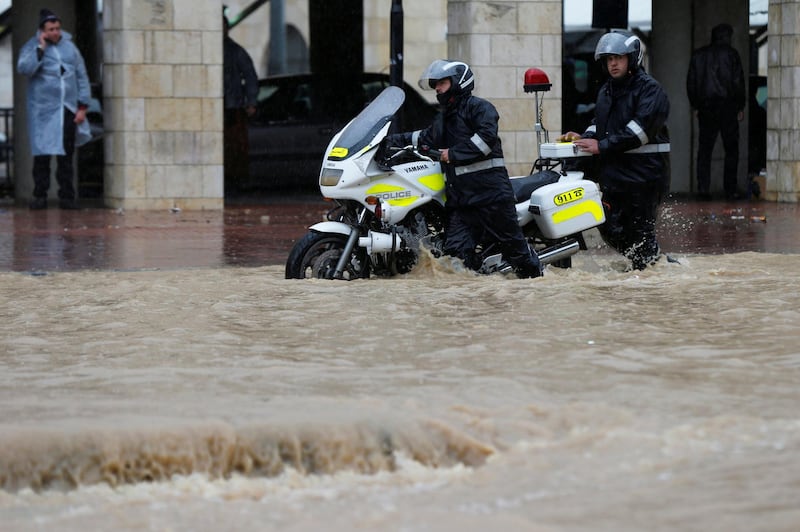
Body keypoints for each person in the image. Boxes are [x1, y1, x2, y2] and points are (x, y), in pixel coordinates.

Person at [387, 60, 542, 278]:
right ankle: (479, 291)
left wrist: (453, 153)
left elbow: (485, 140)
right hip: (462, 202)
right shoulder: (444, 118)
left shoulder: (480, 108)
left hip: (491, 197)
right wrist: (387, 141)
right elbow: (423, 137)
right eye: (435, 85)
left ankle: (538, 285)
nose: (437, 89)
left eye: (441, 83)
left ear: (458, 82)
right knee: (455, 258)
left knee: (516, 252)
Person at [559, 32, 671, 271]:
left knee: (640, 233)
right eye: (609, 59)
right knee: (608, 225)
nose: (613, 63)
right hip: (615, 176)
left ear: (631, 59)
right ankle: (649, 265)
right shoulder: (607, 91)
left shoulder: (650, 90)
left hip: (644, 177)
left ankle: (654, 274)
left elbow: (639, 132)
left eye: (618, 58)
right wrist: (584, 137)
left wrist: (601, 146)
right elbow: (599, 124)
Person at [17, 8, 92, 210]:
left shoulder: (70, 48)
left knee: (66, 156)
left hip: (67, 108)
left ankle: (67, 197)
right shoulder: (32, 47)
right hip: (42, 111)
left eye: (58, 28)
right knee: (42, 155)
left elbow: (81, 77)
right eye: (51, 29)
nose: (55, 32)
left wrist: (83, 106)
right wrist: (40, 49)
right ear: (42, 30)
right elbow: (24, 68)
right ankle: (39, 195)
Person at [686, 23, 746, 201]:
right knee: (731, 150)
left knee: (704, 151)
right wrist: (740, 106)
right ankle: (730, 189)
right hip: (728, 107)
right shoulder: (732, 54)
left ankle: (703, 189)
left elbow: (691, 83)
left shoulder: (699, 55)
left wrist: (696, 105)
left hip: (706, 108)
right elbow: (738, 83)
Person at [223, 13, 258, 192]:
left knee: (234, 148)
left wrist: (251, 102)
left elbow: (250, 76)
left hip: (232, 107)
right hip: (222, 107)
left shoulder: (235, 51)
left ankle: (235, 180)